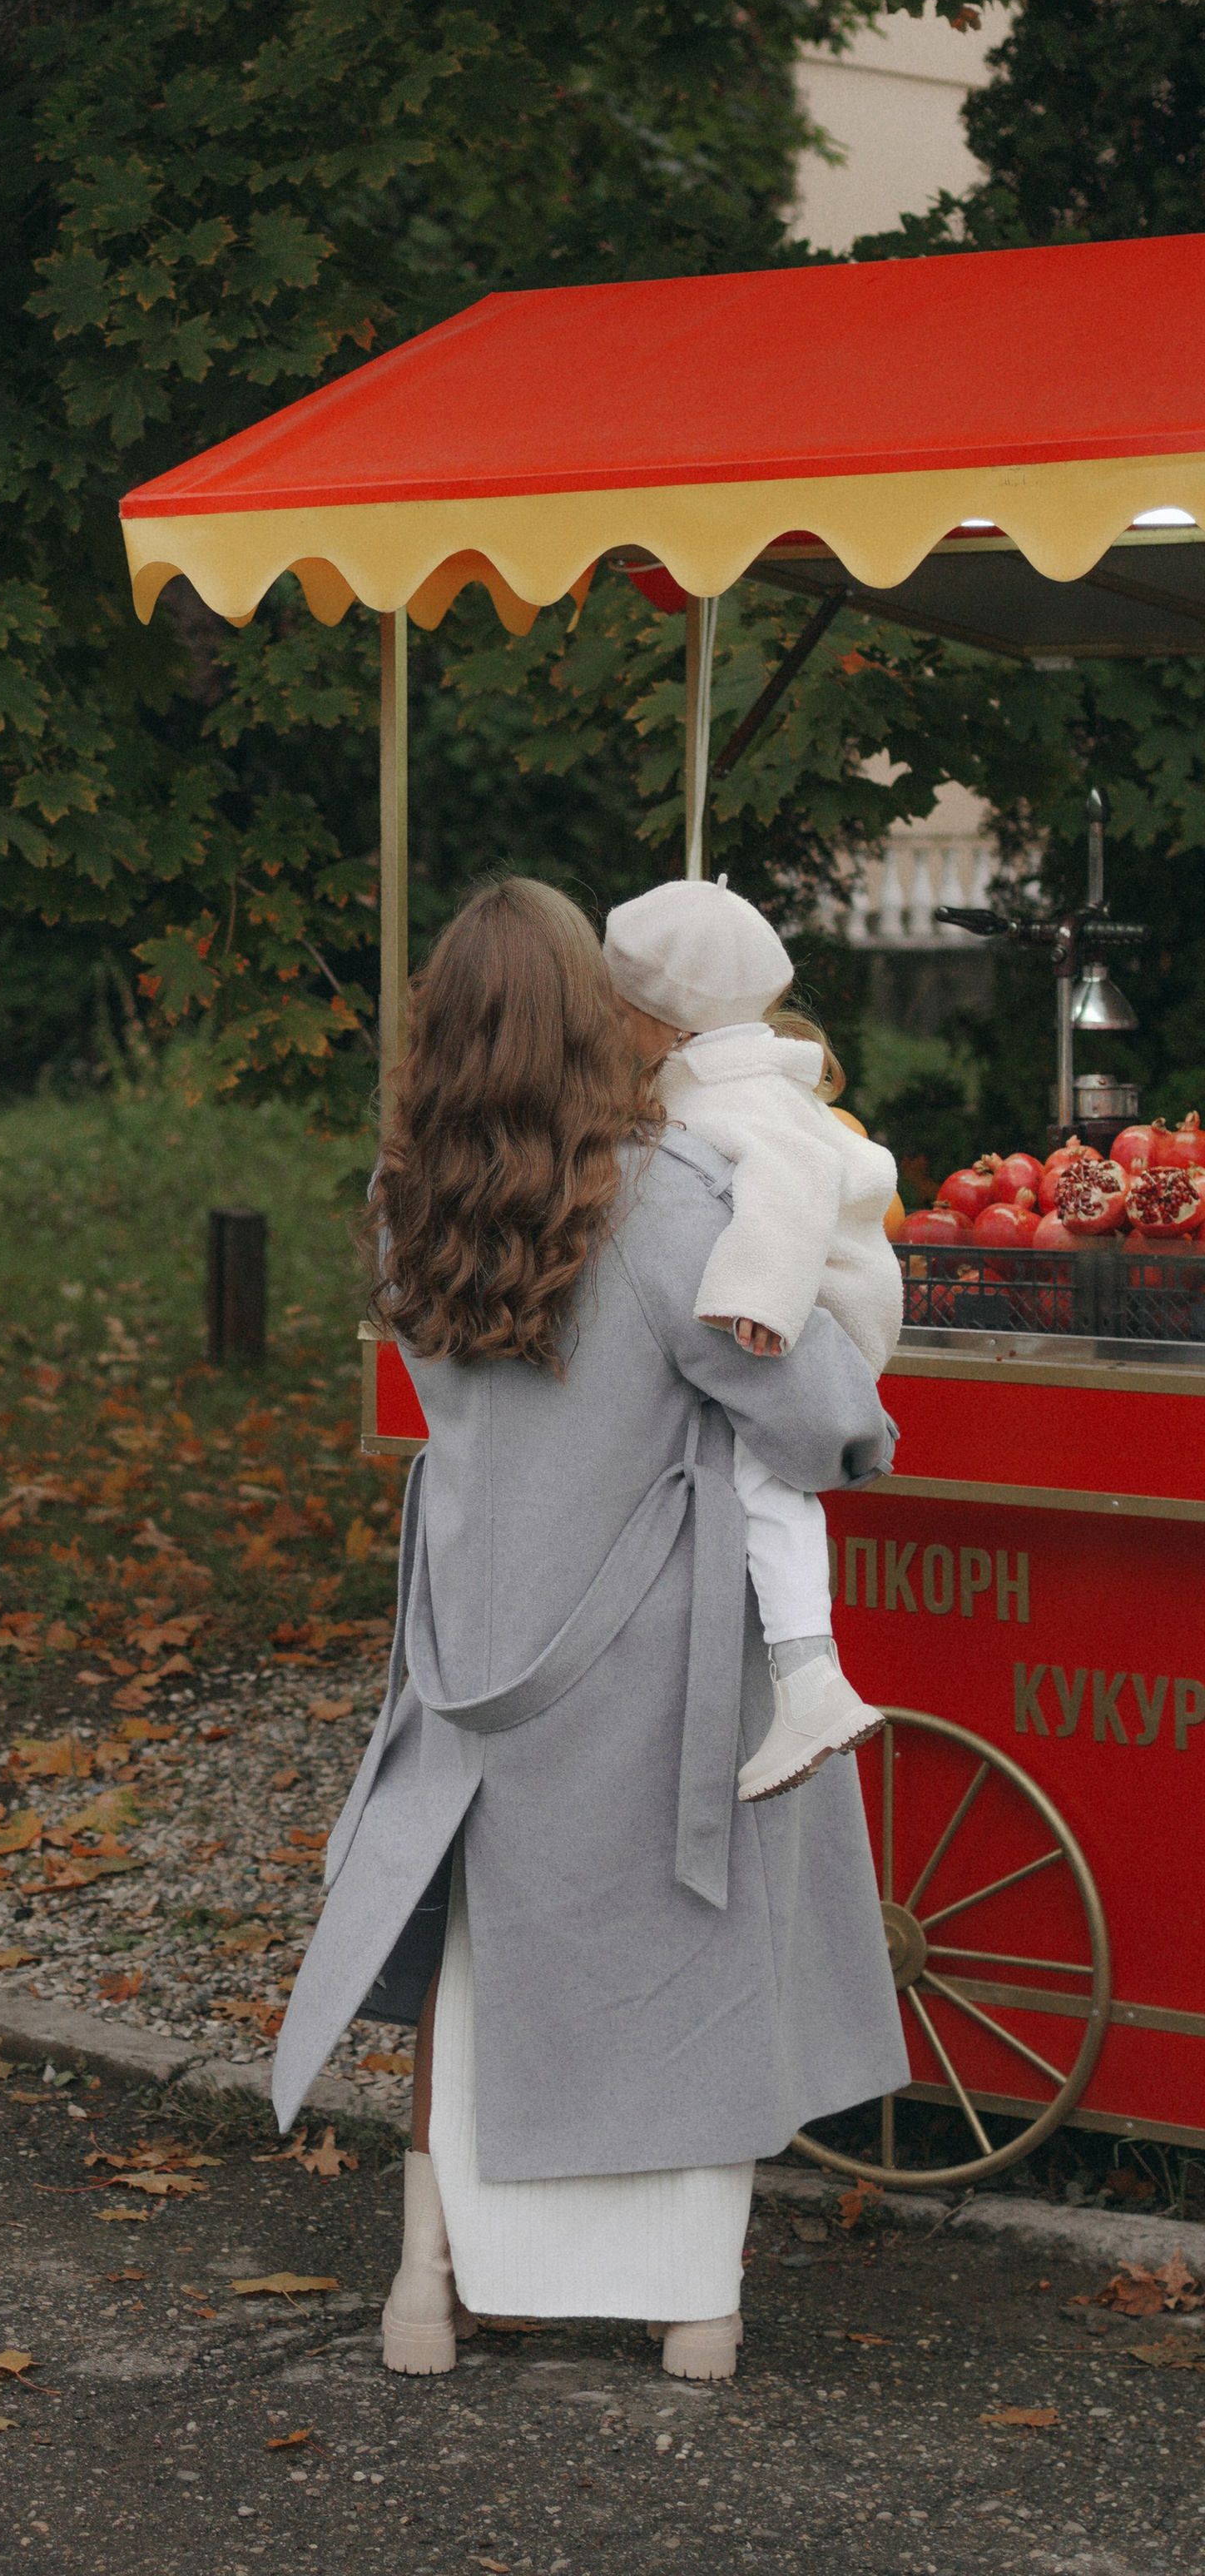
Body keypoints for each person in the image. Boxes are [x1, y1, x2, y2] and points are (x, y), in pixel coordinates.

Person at [270, 877, 907, 2386]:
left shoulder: (401, 1200)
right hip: (657, 1658)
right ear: (597, 1019)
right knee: (688, 1965)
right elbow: (824, 1422)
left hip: (476, 1648)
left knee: (475, 1973)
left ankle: (428, 2295)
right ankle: (693, 2311)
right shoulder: (674, 1197)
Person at [602, 879, 899, 1802]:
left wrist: (759, 1299)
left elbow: (797, 1179)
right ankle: (807, 1673)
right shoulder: (728, 1070)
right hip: (808, 1297)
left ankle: (809, 1676)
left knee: (764, 1478)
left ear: (662, 1017)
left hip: (820, 1307)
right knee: (758, 1478)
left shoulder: (735, 1090)